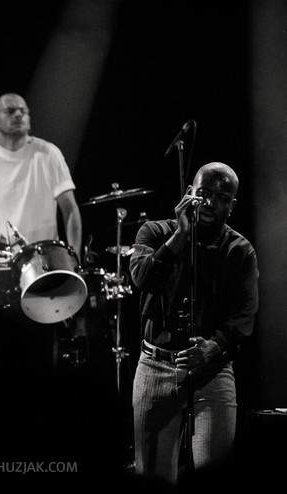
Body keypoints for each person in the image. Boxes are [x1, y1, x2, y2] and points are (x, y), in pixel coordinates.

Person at [129, 162, 258, 484]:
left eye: (221, 197)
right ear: (188, 194)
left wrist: (212, 347)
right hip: (155, 366)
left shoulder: (239, 250)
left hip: (211, 372)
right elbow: (143, 278)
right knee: (151, 477)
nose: (211, 203)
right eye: (204, 194)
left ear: (232, 205)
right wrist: (180, 236)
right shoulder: (154, 232)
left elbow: (243, 315)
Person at [0, 92, 82, 257]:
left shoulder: (48, 153)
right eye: (10, 111)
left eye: (23, 111)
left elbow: (70, 208)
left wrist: (75, 258)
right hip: (2, 264)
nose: (18, 115)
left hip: (45, 261)